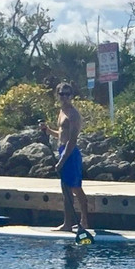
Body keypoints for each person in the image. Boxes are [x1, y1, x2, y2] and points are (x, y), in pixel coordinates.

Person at [40, 82, 90, 232]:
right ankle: (78, 222)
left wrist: (62, 160)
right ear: (58, 95)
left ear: (72, 96)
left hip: (70, 153)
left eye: (68, 94)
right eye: (62, 94)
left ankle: (73, 223)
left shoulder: (73, 114)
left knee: (71, 189)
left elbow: (72, 140)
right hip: (63, 150)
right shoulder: (62, 112)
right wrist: (48, 131)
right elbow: (62, 134)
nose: (65, 97)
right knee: (70, 189)